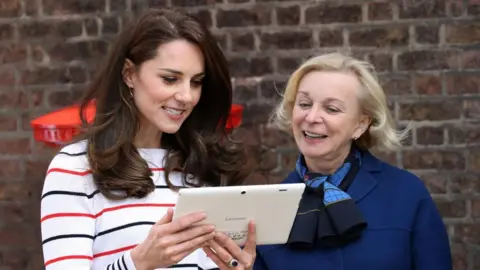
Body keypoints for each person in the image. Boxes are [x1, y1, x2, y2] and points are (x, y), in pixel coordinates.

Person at [40, 8, 257, 270]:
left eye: (197, 82)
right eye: (170, 79)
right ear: (129, 74)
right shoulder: (76, 168)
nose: (186, 96)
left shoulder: (203, 166)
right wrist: (138, 263)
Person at [254, 53, 452, 270]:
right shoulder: (269, 208)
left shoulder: (407, 194)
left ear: (361, 124)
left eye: (331, 109)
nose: (311, 118)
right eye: (304, 104)